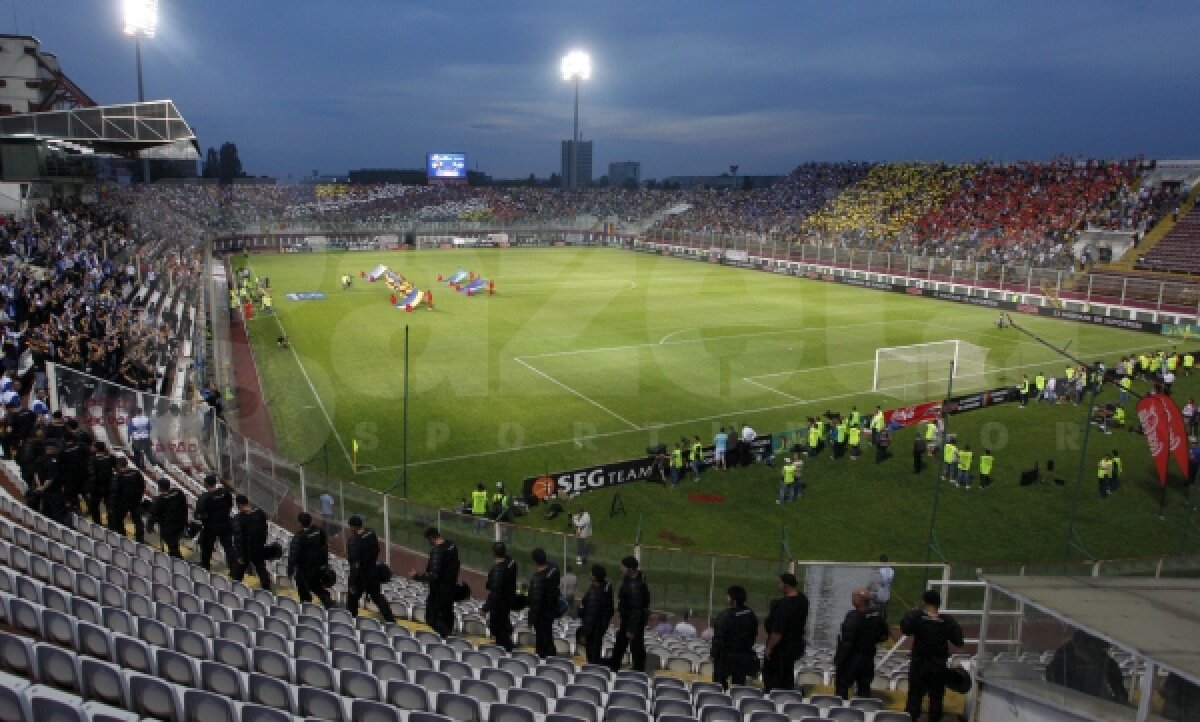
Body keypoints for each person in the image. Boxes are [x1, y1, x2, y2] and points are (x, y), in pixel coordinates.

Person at [902, 590, 964, 722]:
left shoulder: (918, 618)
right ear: (938, 604)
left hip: (919, 664)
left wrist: (913, 614)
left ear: (924, 602)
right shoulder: (947, 621)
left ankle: (912, 718)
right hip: (938, 665)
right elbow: (959, 641)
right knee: (936, 697)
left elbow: (905, 629)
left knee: (915, 696)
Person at [1045, 629, 1129, 704]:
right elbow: (1057, 697)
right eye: (1092, 647)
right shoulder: (1060, 665)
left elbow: (1122, 696)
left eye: (1101, 649)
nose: (1096, 652)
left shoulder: (1109, 664)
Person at [834, 587, 889, 700]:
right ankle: (863, 709)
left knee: (842, 686)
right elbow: (884, 635)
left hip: (852, 658)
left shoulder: (853, 617)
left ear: (859, 599)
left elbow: (847, 642)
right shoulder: (877, 616)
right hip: (868, 657)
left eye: (854, 595)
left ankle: (841, 710)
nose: (852, 598)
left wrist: (839, 659)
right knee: (864, 686)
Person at [763, 572, 809, 692]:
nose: (778, 585)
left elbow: (777, 632)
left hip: (782, 649)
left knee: (776, 679)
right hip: (795, 644)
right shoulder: (803, 600)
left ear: (786, 585)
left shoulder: (784, 606)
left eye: (780, 583)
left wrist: (769, 648)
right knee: (787, 674)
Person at [711, 586, 759, 690]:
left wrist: (714, 653)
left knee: (719, 685)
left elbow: (718, 639)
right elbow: (754, 634)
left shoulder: (725, 616)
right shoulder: (750, 614)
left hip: (726, 656)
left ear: (732, 599)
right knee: (739, 686)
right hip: (743, 654)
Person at [607, 556, 649, 672]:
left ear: (630, 569)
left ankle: (618, 669)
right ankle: (636, 669)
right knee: (634, 648)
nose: (621, 568)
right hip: (633, 621)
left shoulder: (634, 586)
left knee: (628, 647)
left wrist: (631, 629)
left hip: (631, 622)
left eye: (623, 566)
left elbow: (636, 610)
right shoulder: (636, 579)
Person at [410, 526, 455, 633]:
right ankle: (448, 634)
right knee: (447, 614)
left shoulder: (437, 552)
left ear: (431, 538)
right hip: (450, 587)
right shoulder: (452, 546)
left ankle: (446, 636)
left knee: (431, 617)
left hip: (439, 590)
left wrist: (417, 576)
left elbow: (434, 575)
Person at [287, 512, 334, 607]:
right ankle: (327, 600)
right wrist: (325, 564)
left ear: (300, 523)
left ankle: (307, 607)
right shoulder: (319, 531)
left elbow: (293, 556)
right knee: (316, 585)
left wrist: (290, 570)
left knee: (304, 589)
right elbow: (324, 548)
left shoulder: (299, 537)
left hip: (304, 569)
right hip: (317, 566)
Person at [230, 494, 273, 591]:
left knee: (239, 570)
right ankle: (267, 589)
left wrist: (240, 555)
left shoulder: (238, 518)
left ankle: (235, 589)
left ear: (239, 505)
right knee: (261, 568)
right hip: (258, 546)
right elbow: (264, 530)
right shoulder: (260, 513)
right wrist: (262, 543)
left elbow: (238, 539)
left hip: (245, 549)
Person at [194, 474, 234, 571]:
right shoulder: (225, 493)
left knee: (207, 547)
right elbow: (230, 505)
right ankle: (233, 568)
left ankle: (205, 565)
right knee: (228, 547)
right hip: (225, 523)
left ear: (206, 484)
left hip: (210, 527)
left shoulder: (204, 497)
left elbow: (199, 514)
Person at [482, 542, 517, 651]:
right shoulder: (512, 564)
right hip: (507, 602)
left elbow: (494, 592)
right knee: (504, 626)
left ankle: (506, 649)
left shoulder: (497, 570)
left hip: (498, 605)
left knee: (499, 630)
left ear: (493, 553)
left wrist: (485, 608)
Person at [577, 564, 614, 665]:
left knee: (592, 657)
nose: (589, 574)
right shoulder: (605, 588)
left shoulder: (595, 593)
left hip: (592, 630)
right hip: (599, 628)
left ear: (595, 576)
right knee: (595, 654)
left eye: (591, 573)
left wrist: (584, 634)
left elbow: (590, 616)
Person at [528, 547, 561, 658]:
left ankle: (544, 657)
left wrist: (531, 619)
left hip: (542, 614)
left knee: (542, 639)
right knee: (548, 635)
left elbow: (536, 602)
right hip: (551, 609)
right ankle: (550, 655)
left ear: (534, 561)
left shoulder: (537, 579)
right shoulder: (554, 569)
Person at [147, 479, 188, 558]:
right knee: (174, 544)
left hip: (168, 527)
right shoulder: (178, 493)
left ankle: (178, 561)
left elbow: (153, 514)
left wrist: (150, 526)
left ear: (159, 488)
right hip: (180, 523)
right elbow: (184, 506)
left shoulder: (159, 500)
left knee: (172, 546)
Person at [109, 456, 146, 543]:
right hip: (135, 501)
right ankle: (140, 539)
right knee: (138, 521)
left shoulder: (118, 477)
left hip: (122, 503)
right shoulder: (136, 473)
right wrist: (139, 498)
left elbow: (114, 492)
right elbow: (142, 486)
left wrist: (111, 505)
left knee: (118, 520)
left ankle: (123, 538)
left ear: (118, 465)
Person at [87, 441, 116, 526]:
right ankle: (111, 525)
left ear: (96, 448)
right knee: (110, 507)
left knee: (94, 506)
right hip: (109, 485)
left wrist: (90, 487)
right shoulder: (111, 457)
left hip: (97, 487)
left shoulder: (92, 460)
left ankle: (97, 524)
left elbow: (91, 474)